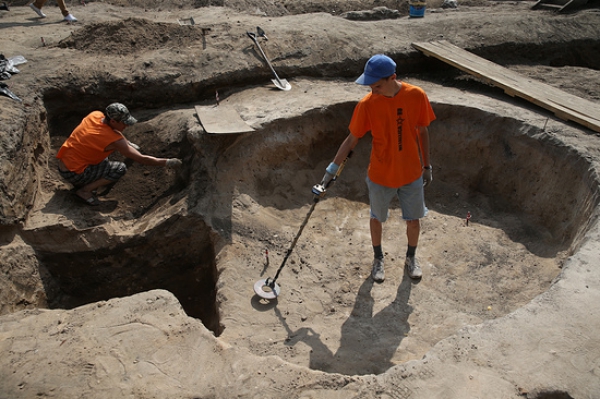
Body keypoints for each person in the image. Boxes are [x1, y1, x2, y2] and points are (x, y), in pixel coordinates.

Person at [318, 54, 435, 283]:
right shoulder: (368, 104)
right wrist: (331, 169)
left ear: (393, 78)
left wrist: (427, 166)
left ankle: (411, 257)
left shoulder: (416, 96)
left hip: (411, 173)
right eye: (370, 86)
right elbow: (352, 139)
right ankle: (378, 258)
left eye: (378, 85)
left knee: (413, 219)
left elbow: (422, 131)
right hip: (380, 175)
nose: (373, 90)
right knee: (376, 218)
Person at [56, 102, 182, 206]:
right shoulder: (114, 141)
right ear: (113, 121)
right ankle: (85, 190)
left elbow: (112, 132)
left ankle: (85, 181)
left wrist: (128, 143)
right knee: (119, 168)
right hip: (74, 173)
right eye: (124, 122)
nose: (126, 125)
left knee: (104, 157)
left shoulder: (95, 115)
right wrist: (167, 162)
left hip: (64, 163)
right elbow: (141, 159)